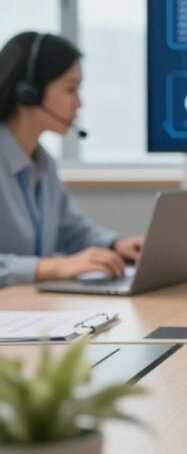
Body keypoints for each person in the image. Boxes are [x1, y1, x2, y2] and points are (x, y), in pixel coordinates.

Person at [0, 31, 144, 288]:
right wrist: (51, 267)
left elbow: (73, 231)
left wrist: (117, 244)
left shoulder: (42, 162)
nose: (79, 103)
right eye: (71, 89)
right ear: (28, 92)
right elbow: (54, 263)